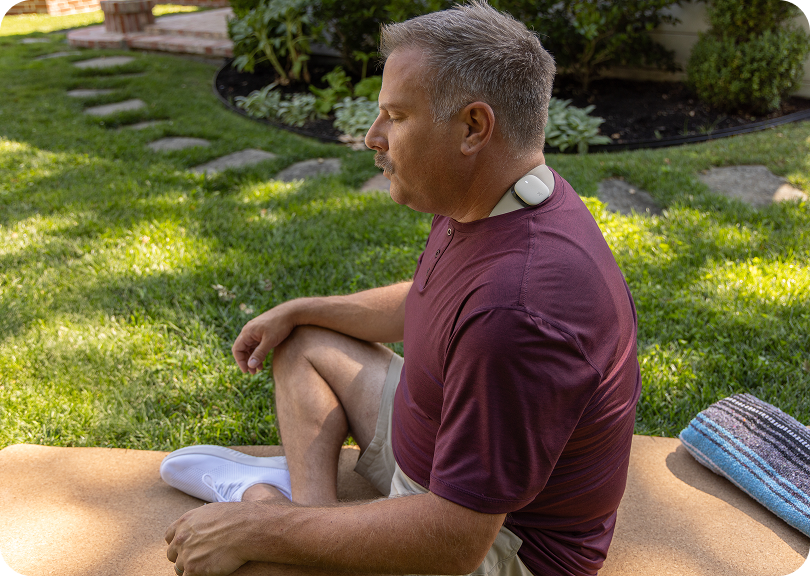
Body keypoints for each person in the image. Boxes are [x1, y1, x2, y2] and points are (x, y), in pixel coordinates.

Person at [161, 2, 641, 575]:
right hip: (432, 448)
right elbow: (430, 298)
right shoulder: (496, 196)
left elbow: (455, 542)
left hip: (503, 547)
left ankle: (265, 506)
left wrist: (261, 529)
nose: (372, 136)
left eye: (396, 116)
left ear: (473, 127)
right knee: (307, 339)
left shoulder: (518, 313)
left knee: (245, 564)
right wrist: (302, 308)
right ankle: (308, 518)